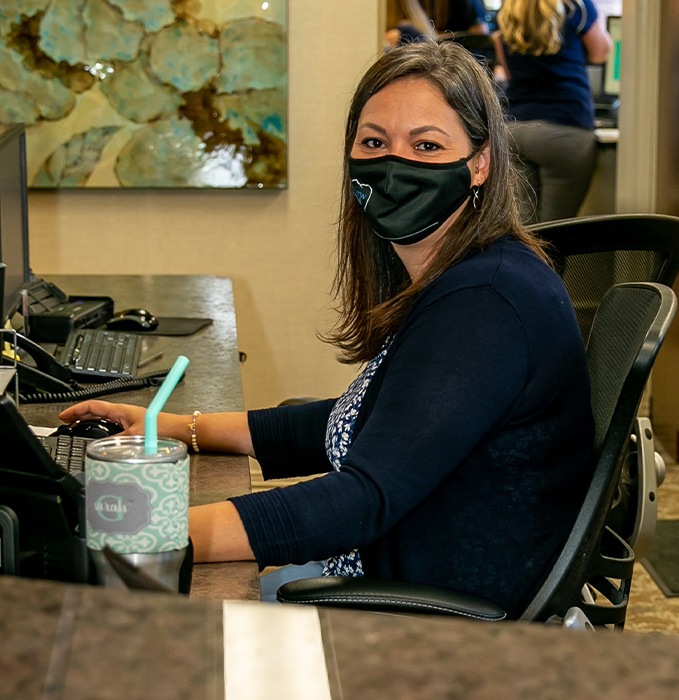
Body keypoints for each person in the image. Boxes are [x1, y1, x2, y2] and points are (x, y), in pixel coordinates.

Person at [59, 41, 594, 617]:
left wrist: (134, 528)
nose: (395, 166)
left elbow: (362, 500)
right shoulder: (463, 276)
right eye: (374, 143)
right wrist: (173, 426)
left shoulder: (485, 301)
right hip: (393, 578)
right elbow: (363, 422)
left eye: (427, 145)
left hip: (434, 626)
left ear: (480, 163)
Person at [494, 0, 612, 223]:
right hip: (565, 128)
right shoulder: (576, 7)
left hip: (515, 131)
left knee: (524, 232)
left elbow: (508, 74)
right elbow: (601, 53)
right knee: (555, 234)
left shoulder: (507, 12)